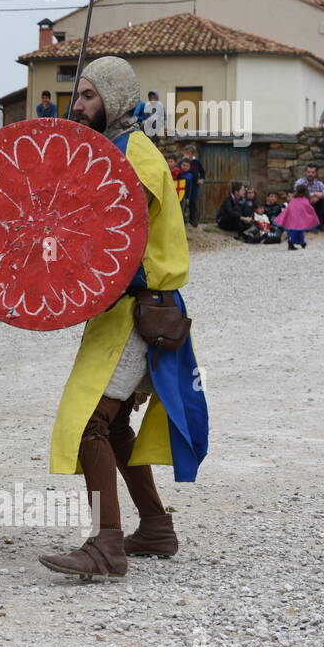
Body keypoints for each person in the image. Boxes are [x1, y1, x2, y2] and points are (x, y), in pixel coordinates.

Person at [40, 56, 208, 581]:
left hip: (140, 311)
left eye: (89, 96)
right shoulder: (109, 151)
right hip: (119, 311)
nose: (79, 104)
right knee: (112, 430)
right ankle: (155, 527)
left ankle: (105, 545)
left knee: (91, 421)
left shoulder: (134, 156)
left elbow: (114, 235)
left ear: (114, 98)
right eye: (78, 95)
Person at [276, 185, 319, 250]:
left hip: (293, 218)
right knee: (297, 231)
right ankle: (291, 243)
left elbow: (289, 208)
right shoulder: (305, 200)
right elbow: (309, 208)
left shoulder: (294, 200)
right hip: (298, 219)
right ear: (306, 192)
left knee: (299, 231)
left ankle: (302, 242)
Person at [293, 164, 324, 229]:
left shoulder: (318, 183)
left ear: (316, 173)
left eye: (312, 172)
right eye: (308, 172)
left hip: (315, 205)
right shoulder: (300, 182)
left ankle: (321, 224)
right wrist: (314, 194)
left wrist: (320, 196)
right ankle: (308, 225)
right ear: (305, 172)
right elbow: (297, 194)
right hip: (303, 204)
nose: (310, 174)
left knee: (323, 200)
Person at [179, 144, 204, 227]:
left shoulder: (196, 162)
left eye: (189, 153)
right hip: (184, 185)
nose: (187, 154)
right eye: (186, 152)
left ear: (192, 154)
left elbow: (203, 172)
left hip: (194, 185)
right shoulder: (182, 162)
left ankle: (192, 221)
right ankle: (182, 220)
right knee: (183, 202)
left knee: (192, 202)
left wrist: (201, 179)